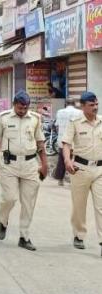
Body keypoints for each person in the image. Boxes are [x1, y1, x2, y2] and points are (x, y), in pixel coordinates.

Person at [0, 90, 48, 251]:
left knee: (28, 203)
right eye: (20, 108)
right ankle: (3, 220)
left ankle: (24, 236)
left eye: (26, 108)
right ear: (14, 104)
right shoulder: (3, 117)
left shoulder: (35, 119)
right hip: (10, 164)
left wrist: (44, 164)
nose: (23, 111)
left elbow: (40, 142)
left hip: (30, 165)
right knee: (10, 198)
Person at [62, 91, 102, 254]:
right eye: (91, 105)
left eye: (96, 104)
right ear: (83, 106)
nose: (95, 107)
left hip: (100, 170)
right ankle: (79, 235)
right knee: (79, 205)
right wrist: (67, 160)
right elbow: (66, 143)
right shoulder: (75, 122)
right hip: (80, 169)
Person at [54, 98, 82, 186]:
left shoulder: (60, 112)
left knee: (62, 160)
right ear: (74, 104)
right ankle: (72, 179)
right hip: (73, 141)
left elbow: (57, 126)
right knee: (74, 160)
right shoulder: (79, 112)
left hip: (62, 140)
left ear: (66, 104)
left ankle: (60, 180)